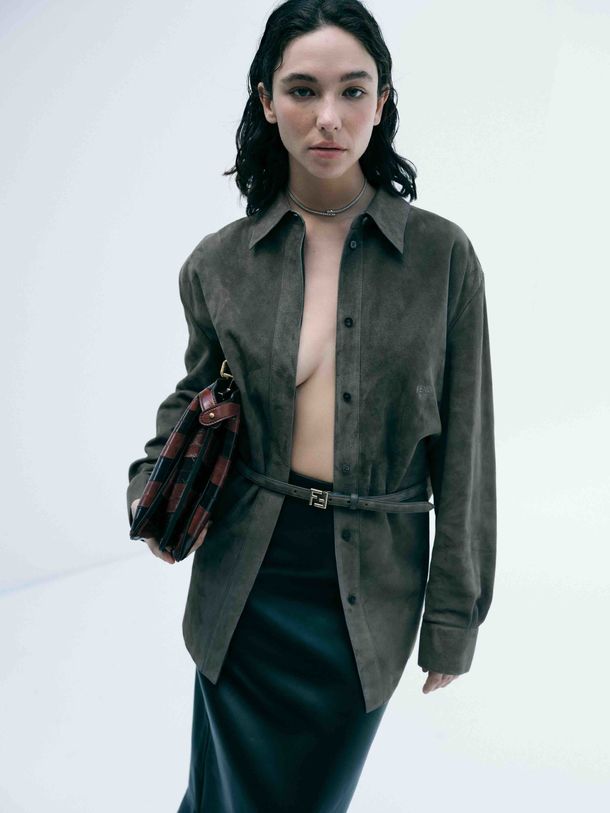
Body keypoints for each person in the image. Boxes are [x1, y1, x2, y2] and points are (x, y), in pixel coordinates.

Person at [126, 1, 497, 810]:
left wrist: (454, 618)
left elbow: (468, 451)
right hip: (245, 583)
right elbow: (196, 393)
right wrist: (152, 490)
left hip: (368, 593)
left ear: (382, 100)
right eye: (302, 90)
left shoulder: (442, 258)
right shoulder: (219, 264)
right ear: (266, 100)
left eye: (352, 91)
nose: (329, 117)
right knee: (220, 797)